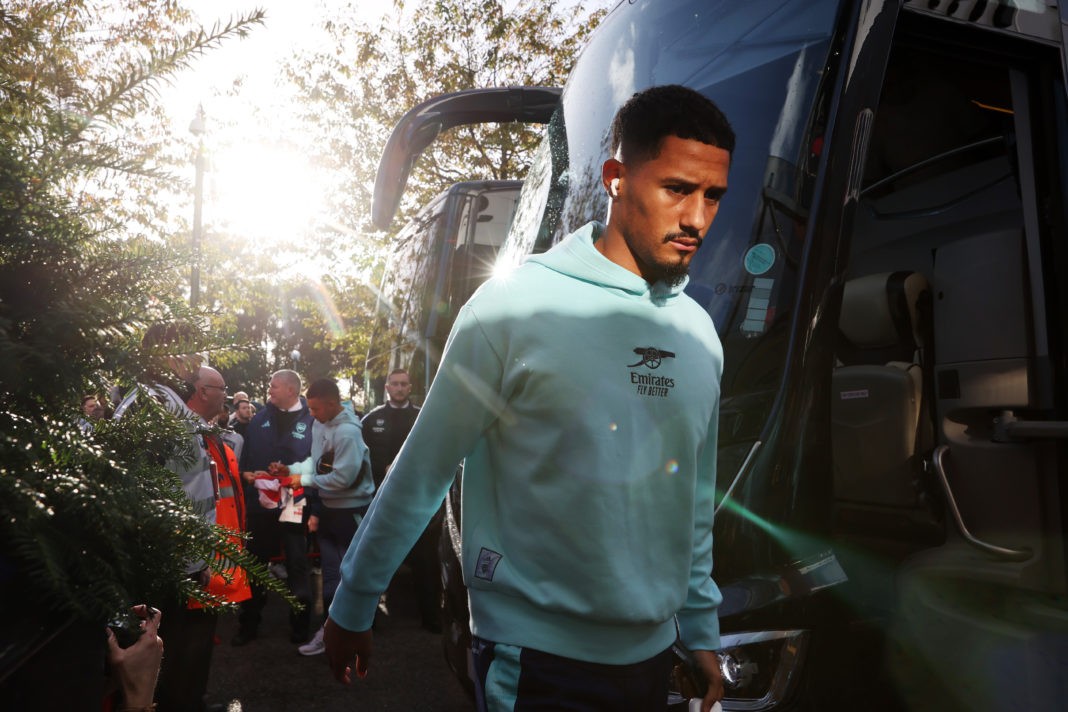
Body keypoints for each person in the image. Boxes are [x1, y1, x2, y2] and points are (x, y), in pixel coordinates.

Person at [324, 84, 732, 712]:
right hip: (536, 662)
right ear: (617, 178)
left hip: (653, 661)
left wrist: (701, 629)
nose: (697, 219)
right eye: (677, 189)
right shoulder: (512, 307)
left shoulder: (699, 334)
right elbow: (422, 471)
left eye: (712, 197)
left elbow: (692, 503)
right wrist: (353, 601)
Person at [268, 378, 375, 655]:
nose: (311, 414)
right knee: (330, 578)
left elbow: (343, 478)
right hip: (329, 510)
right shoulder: (321, 424)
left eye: (315, 408)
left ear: (332, 403)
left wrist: (301, 479)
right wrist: (290, 470)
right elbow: (317, 464)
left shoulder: (348, 432)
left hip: (350, 511)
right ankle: (331, 634)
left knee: (349, 577)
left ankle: (350, 634)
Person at [234, 369, 315, 646]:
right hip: (262, 503)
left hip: (293, 499)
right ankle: (249, 624)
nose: (269, 391)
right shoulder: (259, 420)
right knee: (256, 565)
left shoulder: (312, 421)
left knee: (296, 563)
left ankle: (301, 626)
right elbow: (246, 460)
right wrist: (248, 477)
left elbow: (318, 464)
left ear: (291, 390)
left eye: (274, 386)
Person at [361, 368, 440, 632]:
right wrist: (380, 471)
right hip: (382, 503)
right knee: (376, 560)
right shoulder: (371, 421)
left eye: (404, 384)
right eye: (394, 383)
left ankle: (431, 618)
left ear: (410, 387)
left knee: (426, 563)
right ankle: (368, 621)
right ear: (386, 387)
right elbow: (362, 461)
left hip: (418, 504)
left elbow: (434, 457)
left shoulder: (424, 418)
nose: (399, 388)